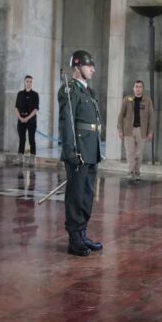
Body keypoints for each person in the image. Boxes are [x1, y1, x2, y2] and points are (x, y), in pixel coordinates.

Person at [58, 50, 104, 257]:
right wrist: (70, 151)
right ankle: (74, 239)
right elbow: (66, 123)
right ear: (77, 68)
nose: (92, 69)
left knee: (86, 195)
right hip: (78, 152)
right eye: (88, 66)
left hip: (91, 150)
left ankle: (82, 233)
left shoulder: (88, 91)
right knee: (76, 195)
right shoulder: (69, 90)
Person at [117, 80, 154, 180]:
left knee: (138, 154)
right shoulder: (127, 100)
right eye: (136, 87)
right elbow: (121, 116)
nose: (138, 89)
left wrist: (150, 132)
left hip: (142, 131)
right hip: (129, 130)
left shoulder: (147, 101)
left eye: (140, 87)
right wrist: (120, 130)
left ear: (143, 89)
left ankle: (137, 171)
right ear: (133, 88)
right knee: (130, 153)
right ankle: (130, 172)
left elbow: (151, 117)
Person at [15, 75, 39, 156]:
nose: (29, 83)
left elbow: (36, 109)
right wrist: (20, 118)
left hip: (31, 121)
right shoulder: (20, 94)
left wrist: (27, 118)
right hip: (21, 120)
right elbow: (16, 108)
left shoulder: (35, 95)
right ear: (24, 82)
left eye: (30, 82)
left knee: (31, 139)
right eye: (27, 81)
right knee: (22, 139)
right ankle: (20, 156)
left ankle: (33, 157)